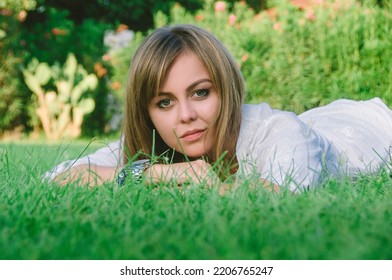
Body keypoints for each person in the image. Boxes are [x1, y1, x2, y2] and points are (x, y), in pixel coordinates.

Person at [44, 24, 392, 193]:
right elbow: (58, 177)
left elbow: (277, 196)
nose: (184, 116)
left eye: (200, 93)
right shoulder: (159, 143)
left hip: (367, 129)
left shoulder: (282, 133)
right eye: (164, 102)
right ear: (147, 112)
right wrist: (154, 173)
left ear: (226, 90)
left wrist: (201, 182)